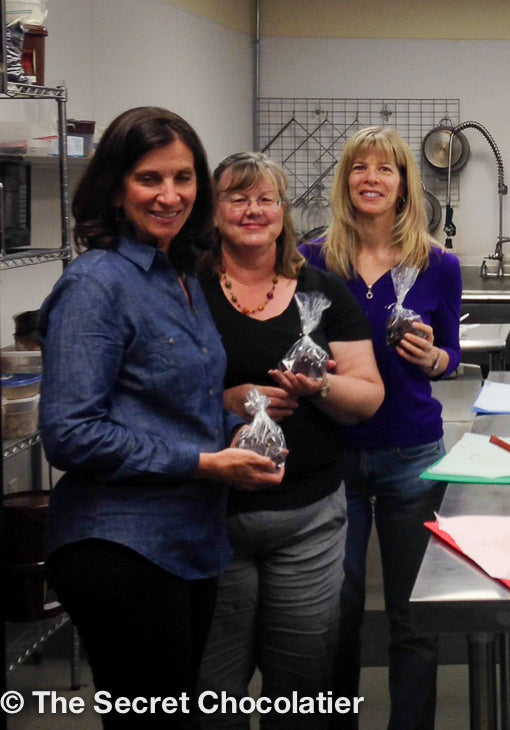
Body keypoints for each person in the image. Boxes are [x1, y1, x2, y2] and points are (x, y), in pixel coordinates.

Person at [37, 107, 284, 729]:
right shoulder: (97, 283)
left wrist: (234, 421)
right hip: (121, 548)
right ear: (117, 188)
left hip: (190, 542)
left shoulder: (180, 274)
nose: (170, 195)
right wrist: (204, 462)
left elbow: (167, 398)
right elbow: (69, 433)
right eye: (150, 179)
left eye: (183, 178)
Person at [195, 152, 385, 729]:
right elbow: (152, 392)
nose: (254, 210)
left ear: (284, 212)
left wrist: (320, 384)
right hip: (208, 520)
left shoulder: (323, 292)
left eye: (266, 199)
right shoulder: (185, 289)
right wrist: (228, 398)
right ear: (214, 210)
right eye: (238, 197)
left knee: (300, 686)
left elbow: (368, 396)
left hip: (308, 519)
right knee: (213, 689)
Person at [300, 126, 463, 730]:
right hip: (331, 455)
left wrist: (433, 360)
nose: (371, 178)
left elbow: (451, 354)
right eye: (359, 168)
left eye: (385, 169)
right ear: (345, 183)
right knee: (333, 615)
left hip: (412, 456)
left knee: (412, 614)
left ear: (403, 185)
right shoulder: (313, 260)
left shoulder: (438, 265)